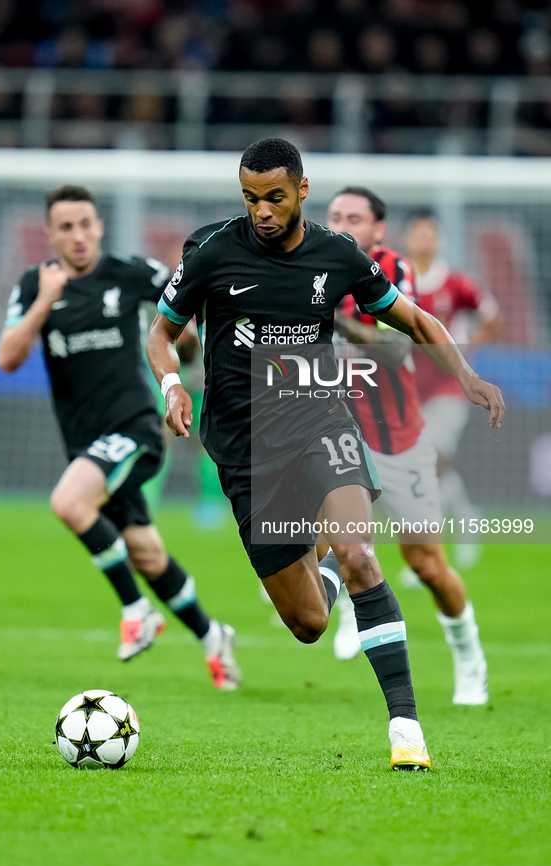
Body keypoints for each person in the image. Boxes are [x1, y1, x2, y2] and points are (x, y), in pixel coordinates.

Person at [146, 138, 504, 770]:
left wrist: (468, 376)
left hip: (321, 420)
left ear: (302, 191)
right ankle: (328, 577)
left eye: (275, 197)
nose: (261, 210)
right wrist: (172, 384)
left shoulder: (337, 256)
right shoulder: (212, 253)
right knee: (309, 623)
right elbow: (162, 334)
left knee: (363, 553)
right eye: (251, 197)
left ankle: (406, 730)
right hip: (244, 446)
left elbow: (415, 322)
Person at [0, 184, 240, 691]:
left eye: (86, 224)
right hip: (86, 444)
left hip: (135, 428)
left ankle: (135, 610)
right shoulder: (33, 284)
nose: (78, 235)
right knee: (147, 554)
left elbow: (182, 323)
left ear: (99, 226)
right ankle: (213, 635)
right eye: (66, 227)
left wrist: (188, 345)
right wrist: (44, 301)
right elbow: (8, 358)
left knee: (67, 500)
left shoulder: (130, 273)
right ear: (51, 234)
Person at [326, 187, 488, 705]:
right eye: (334, 216)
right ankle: (350, 597)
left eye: (355, 217)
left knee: (427, 566)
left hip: (399, 440)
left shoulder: (391, 269)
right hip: (337, 433)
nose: (342, 224)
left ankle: (469, 655)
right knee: (325, 530)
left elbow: (397, 350)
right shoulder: (310, 269)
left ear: (378, 232)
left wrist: (340, 322)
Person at [404, 210, 501, 568]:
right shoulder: (396, 282)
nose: (425, 239)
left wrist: (464, 349)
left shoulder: (458, 284)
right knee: (419, 467)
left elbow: (493, 320)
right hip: (408, 387)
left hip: (447, 387)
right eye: (419, 233)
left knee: (431, 463)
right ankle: (466, 515)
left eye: (432, 233)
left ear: (440, 240)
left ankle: (428, 552)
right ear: (408, 238)